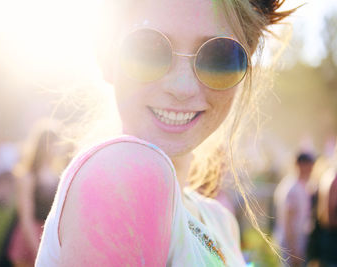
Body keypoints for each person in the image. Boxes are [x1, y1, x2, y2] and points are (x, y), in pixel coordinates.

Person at [36, 0, 296, 266]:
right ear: (106, 57)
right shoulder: (123, 175)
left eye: (218, 57)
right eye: (149, 50)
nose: (182, 87)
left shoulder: (221, 220)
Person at [0, 119, 72, 267]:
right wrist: (39, 250)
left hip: (47, 236)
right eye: (53, 143)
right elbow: (26, 219)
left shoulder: (57, 175)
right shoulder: (28, 176)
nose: (56, 148)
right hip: (29, 238)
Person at [273, 153, 315, 267]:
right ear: (301, 165)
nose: (311, 170)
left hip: (295, 242)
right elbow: (287, 222)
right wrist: (293, 250)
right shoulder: (292, 188)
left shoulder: (300, 185)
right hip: (290, 244)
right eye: (309, 166)